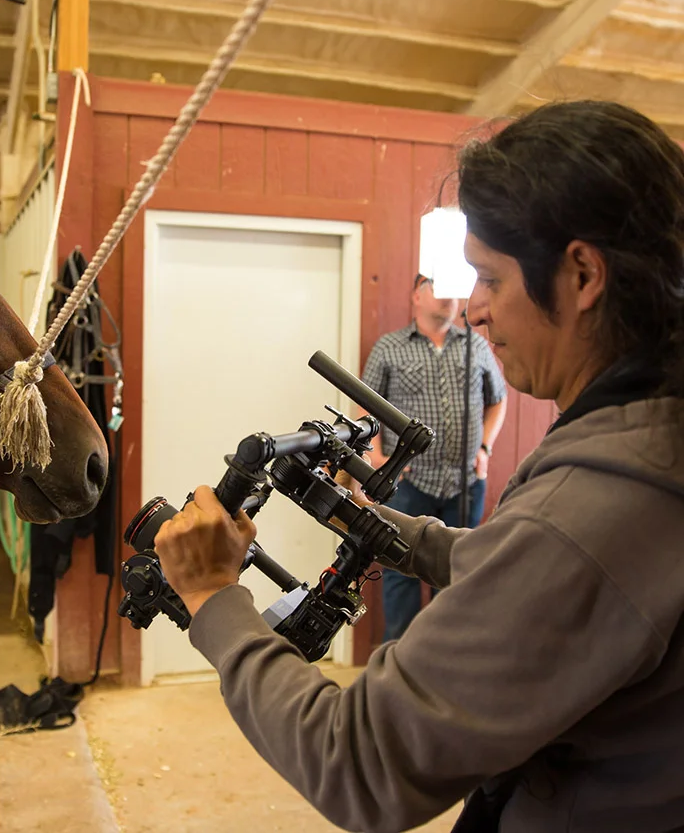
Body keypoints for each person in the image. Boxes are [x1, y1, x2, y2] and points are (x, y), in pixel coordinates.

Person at [151, 100, 684, 832]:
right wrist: (370, 519)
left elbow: (358, 763)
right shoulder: (647, 431)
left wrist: (213, 599)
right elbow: (533, 572)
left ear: (583, 274)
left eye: (491, 280)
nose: (480, 312)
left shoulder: (599, 503)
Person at [362, 273, 507, 640]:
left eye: (452, 288)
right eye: (436, 286)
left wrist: (485, 447)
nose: (447, 296)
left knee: (459, 573)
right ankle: (397, 671)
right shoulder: (389, 348)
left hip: (465, 483)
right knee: (399, 570)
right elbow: (366, 405)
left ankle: (446, 666)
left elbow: (498, 399)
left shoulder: (475, 345)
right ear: (416, 295)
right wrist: (377, 456)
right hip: (408, 482)